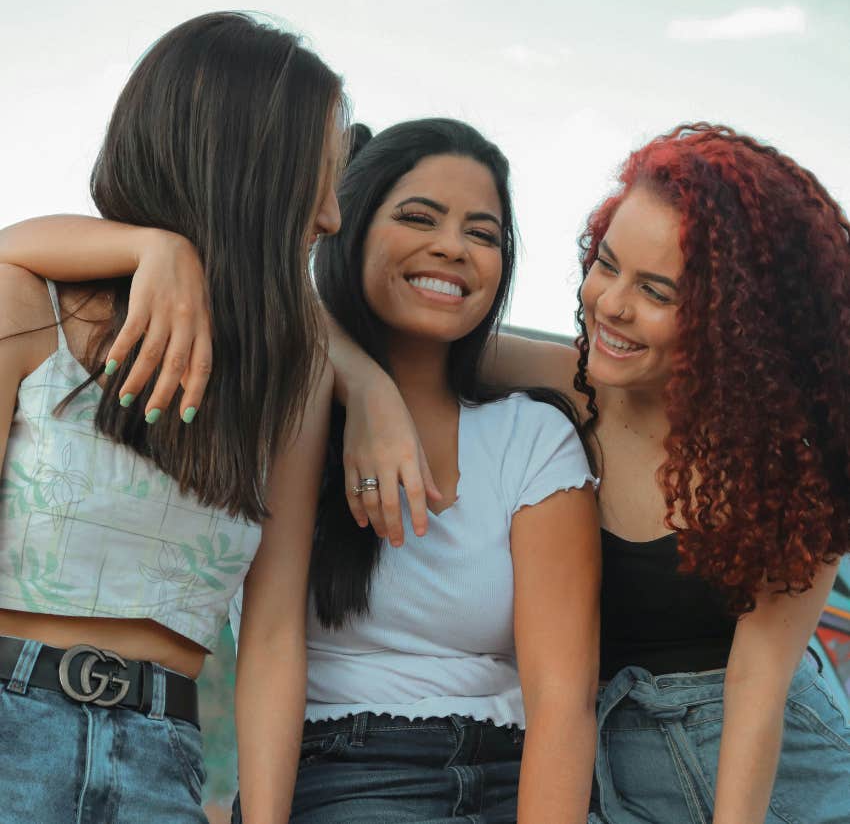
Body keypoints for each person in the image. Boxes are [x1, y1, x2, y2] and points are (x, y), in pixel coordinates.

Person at [2, 118, 601, 823]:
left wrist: (372, 385)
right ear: (344, 225)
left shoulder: (528, 431)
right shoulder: (271, 393)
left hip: (504, 765)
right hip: (339, 771)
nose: (453, 246)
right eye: (418, 217)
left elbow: (565, 697)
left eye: (485, 233)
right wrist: (153, 247)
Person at [346, 123, 850, 823]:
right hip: (618, 775)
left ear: (734, 320)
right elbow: (358, 320)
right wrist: (366, 389)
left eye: (656, 291)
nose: (611, 303)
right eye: (606, 265)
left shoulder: (799, 458)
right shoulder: (570, 385)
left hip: (785, 774)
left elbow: (757, 690)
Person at [0, 11, 344, 823]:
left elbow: (269, 635)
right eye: (319, 177)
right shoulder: (26, 306)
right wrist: (158, 248)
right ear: (248, 168)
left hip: (165, 764)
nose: (330, 216)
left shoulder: (291, 375)